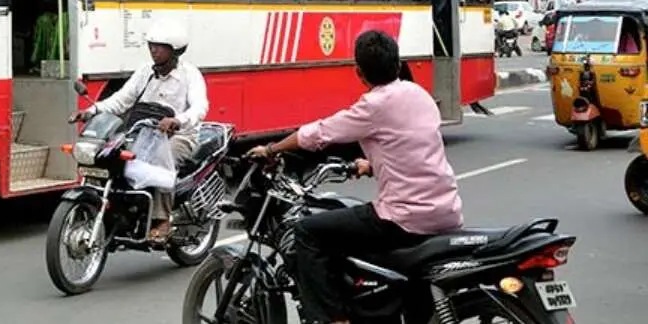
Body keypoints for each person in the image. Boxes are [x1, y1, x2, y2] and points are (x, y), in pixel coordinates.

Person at [247, 31, 463, 324]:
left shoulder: (374, 106)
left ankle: (333, 318)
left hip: (404, 218)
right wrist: (370, 164)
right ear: (397, 63)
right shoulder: (420, 95)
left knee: (308, 231)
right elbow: (411, 148)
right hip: (446, 211)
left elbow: (320, 132)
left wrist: (272, 148)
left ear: (359, 72)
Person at [72, 19, 208, 243]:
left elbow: (199, 107)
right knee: (111, 156)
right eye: (151, 45)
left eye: (160, 46)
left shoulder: (190, 74)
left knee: (163, 159)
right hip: (142, 133)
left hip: (179, 135)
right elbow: (121, 101)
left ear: (174, 50)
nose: (153, 50)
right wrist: (91, 111)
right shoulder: (145, 72)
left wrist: (177, 120)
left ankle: (162, 220)